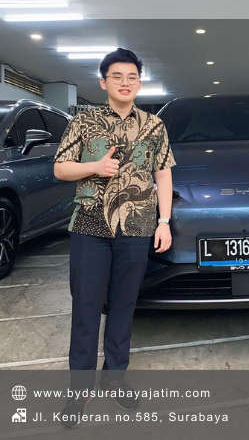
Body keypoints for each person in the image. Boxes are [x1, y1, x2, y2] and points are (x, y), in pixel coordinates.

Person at [54, 48, 176, 427]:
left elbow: (163, 174)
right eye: (117, 76)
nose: (125, 83)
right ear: (103, 82)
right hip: (90, 227)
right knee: (86, 308)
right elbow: (60, 168)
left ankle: (114, 378)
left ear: (139, 82)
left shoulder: (154, 125)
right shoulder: (84, 121)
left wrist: (164, 221)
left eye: (132, 77)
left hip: (137, 228)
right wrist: (95, 166)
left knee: (124, 306)